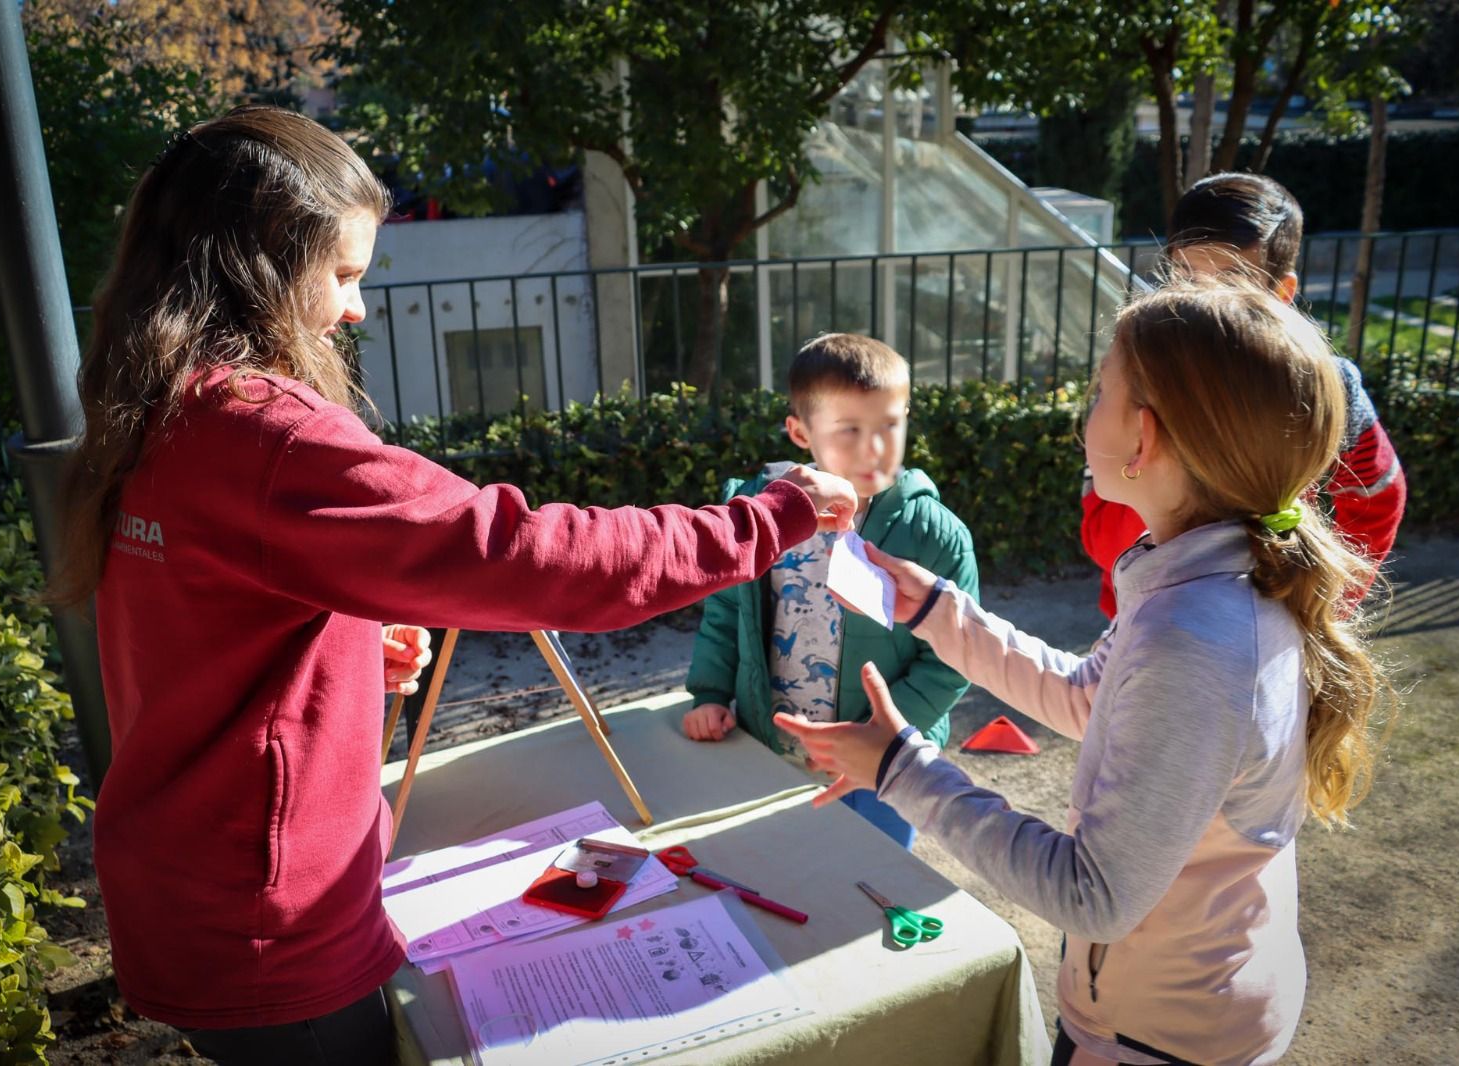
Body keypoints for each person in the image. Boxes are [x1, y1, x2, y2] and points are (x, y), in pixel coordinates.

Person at [50, 106, 857, 1065]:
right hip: (273, 927)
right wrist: (768, 518)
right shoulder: (267, 436)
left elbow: (204, 625)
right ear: (260, 263)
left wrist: (344, 641)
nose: (355, 309)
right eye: (344, 274)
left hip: (194, 889)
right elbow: (523, 555)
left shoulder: (154, 404)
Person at [777, 281, 1391, 1065]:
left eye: (1101, 390)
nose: (1083, 411)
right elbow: (1085, 697)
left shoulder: (1195, 639)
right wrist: (937, 610)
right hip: (1175, 1007)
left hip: (1157, 1037)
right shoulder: (1195, 576)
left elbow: (1091, 896)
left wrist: (902, 770)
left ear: (1144, 437)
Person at [682, 333, 979, 847]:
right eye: (849, 430)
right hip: (771, 746)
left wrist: (878, 737)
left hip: (883, 764)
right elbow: (727, 611)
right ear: (801, 432)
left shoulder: (935, 534)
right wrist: (709, 694)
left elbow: (954, 657)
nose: (875, 448)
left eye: (890, 424)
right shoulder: (762, 517)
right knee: (789, 872)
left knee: (877, 878)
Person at [1081, 172, 1406, 619]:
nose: (1202, 300)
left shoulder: (1322, 385)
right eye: (1186, 276)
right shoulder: (1132, 378)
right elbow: (1100, 533)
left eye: (1232, 279)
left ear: (1282, 292)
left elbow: (1379, 493)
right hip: (1145, 619)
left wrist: (1333, 602)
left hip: (1271, 616)